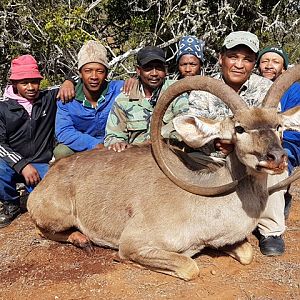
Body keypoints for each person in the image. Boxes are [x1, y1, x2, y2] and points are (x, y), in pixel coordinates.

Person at [188, 31, 287, 256]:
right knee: (191, 164)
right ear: (221, 57)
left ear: (254, 63)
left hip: (254, 157)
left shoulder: (265, 89)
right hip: (214, 156)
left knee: (274, 167)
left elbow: (273, 128)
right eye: (233, 56)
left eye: (248, 59)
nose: (239, 64)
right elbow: (197, 130)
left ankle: (270, 230)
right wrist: (216, 145)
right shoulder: (203, 90)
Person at [0, 55, 65, 228]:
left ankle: (32, 196)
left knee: (53, 199)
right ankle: (11, 204)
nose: (31, 87)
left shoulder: (47, 98)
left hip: (41, 162)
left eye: (35, 82)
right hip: (11, 163)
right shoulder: (3, 107)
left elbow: (78, 79)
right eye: (24, 83)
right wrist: (21, 164)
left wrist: (68, 82)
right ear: (14, 84)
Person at [104, 46, 188, 152]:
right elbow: (112, 136)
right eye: (148, 68)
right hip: (136, 158)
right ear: (138, 70)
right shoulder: (123, 100)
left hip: (171, 153)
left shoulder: (176, 91)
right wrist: (117, 143)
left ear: (166, 70)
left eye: (159, 68)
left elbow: (185, 125)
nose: (154, 73)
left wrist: (156, 141)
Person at [54, 40, 124, 159]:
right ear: (80, 73)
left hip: (115, 144)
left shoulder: (119, 89)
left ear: (106, 73)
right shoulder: (67, 96)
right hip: (84, 147)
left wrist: (134, 81)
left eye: (100, 71)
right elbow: (64, 131)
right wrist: (94, 144)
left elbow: (143, 85)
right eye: (88, 71)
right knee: (62, 152)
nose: (94, 77)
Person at [257, 46, 300, 218]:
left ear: (283, 68)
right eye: (264, 61)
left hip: (287, 141)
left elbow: (294, 126)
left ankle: (274, 221)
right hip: (258, 142)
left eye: (275, 61)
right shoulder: (255, 87)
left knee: (279, 163)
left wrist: (279, 139)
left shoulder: (294, 89)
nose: (269, 65)